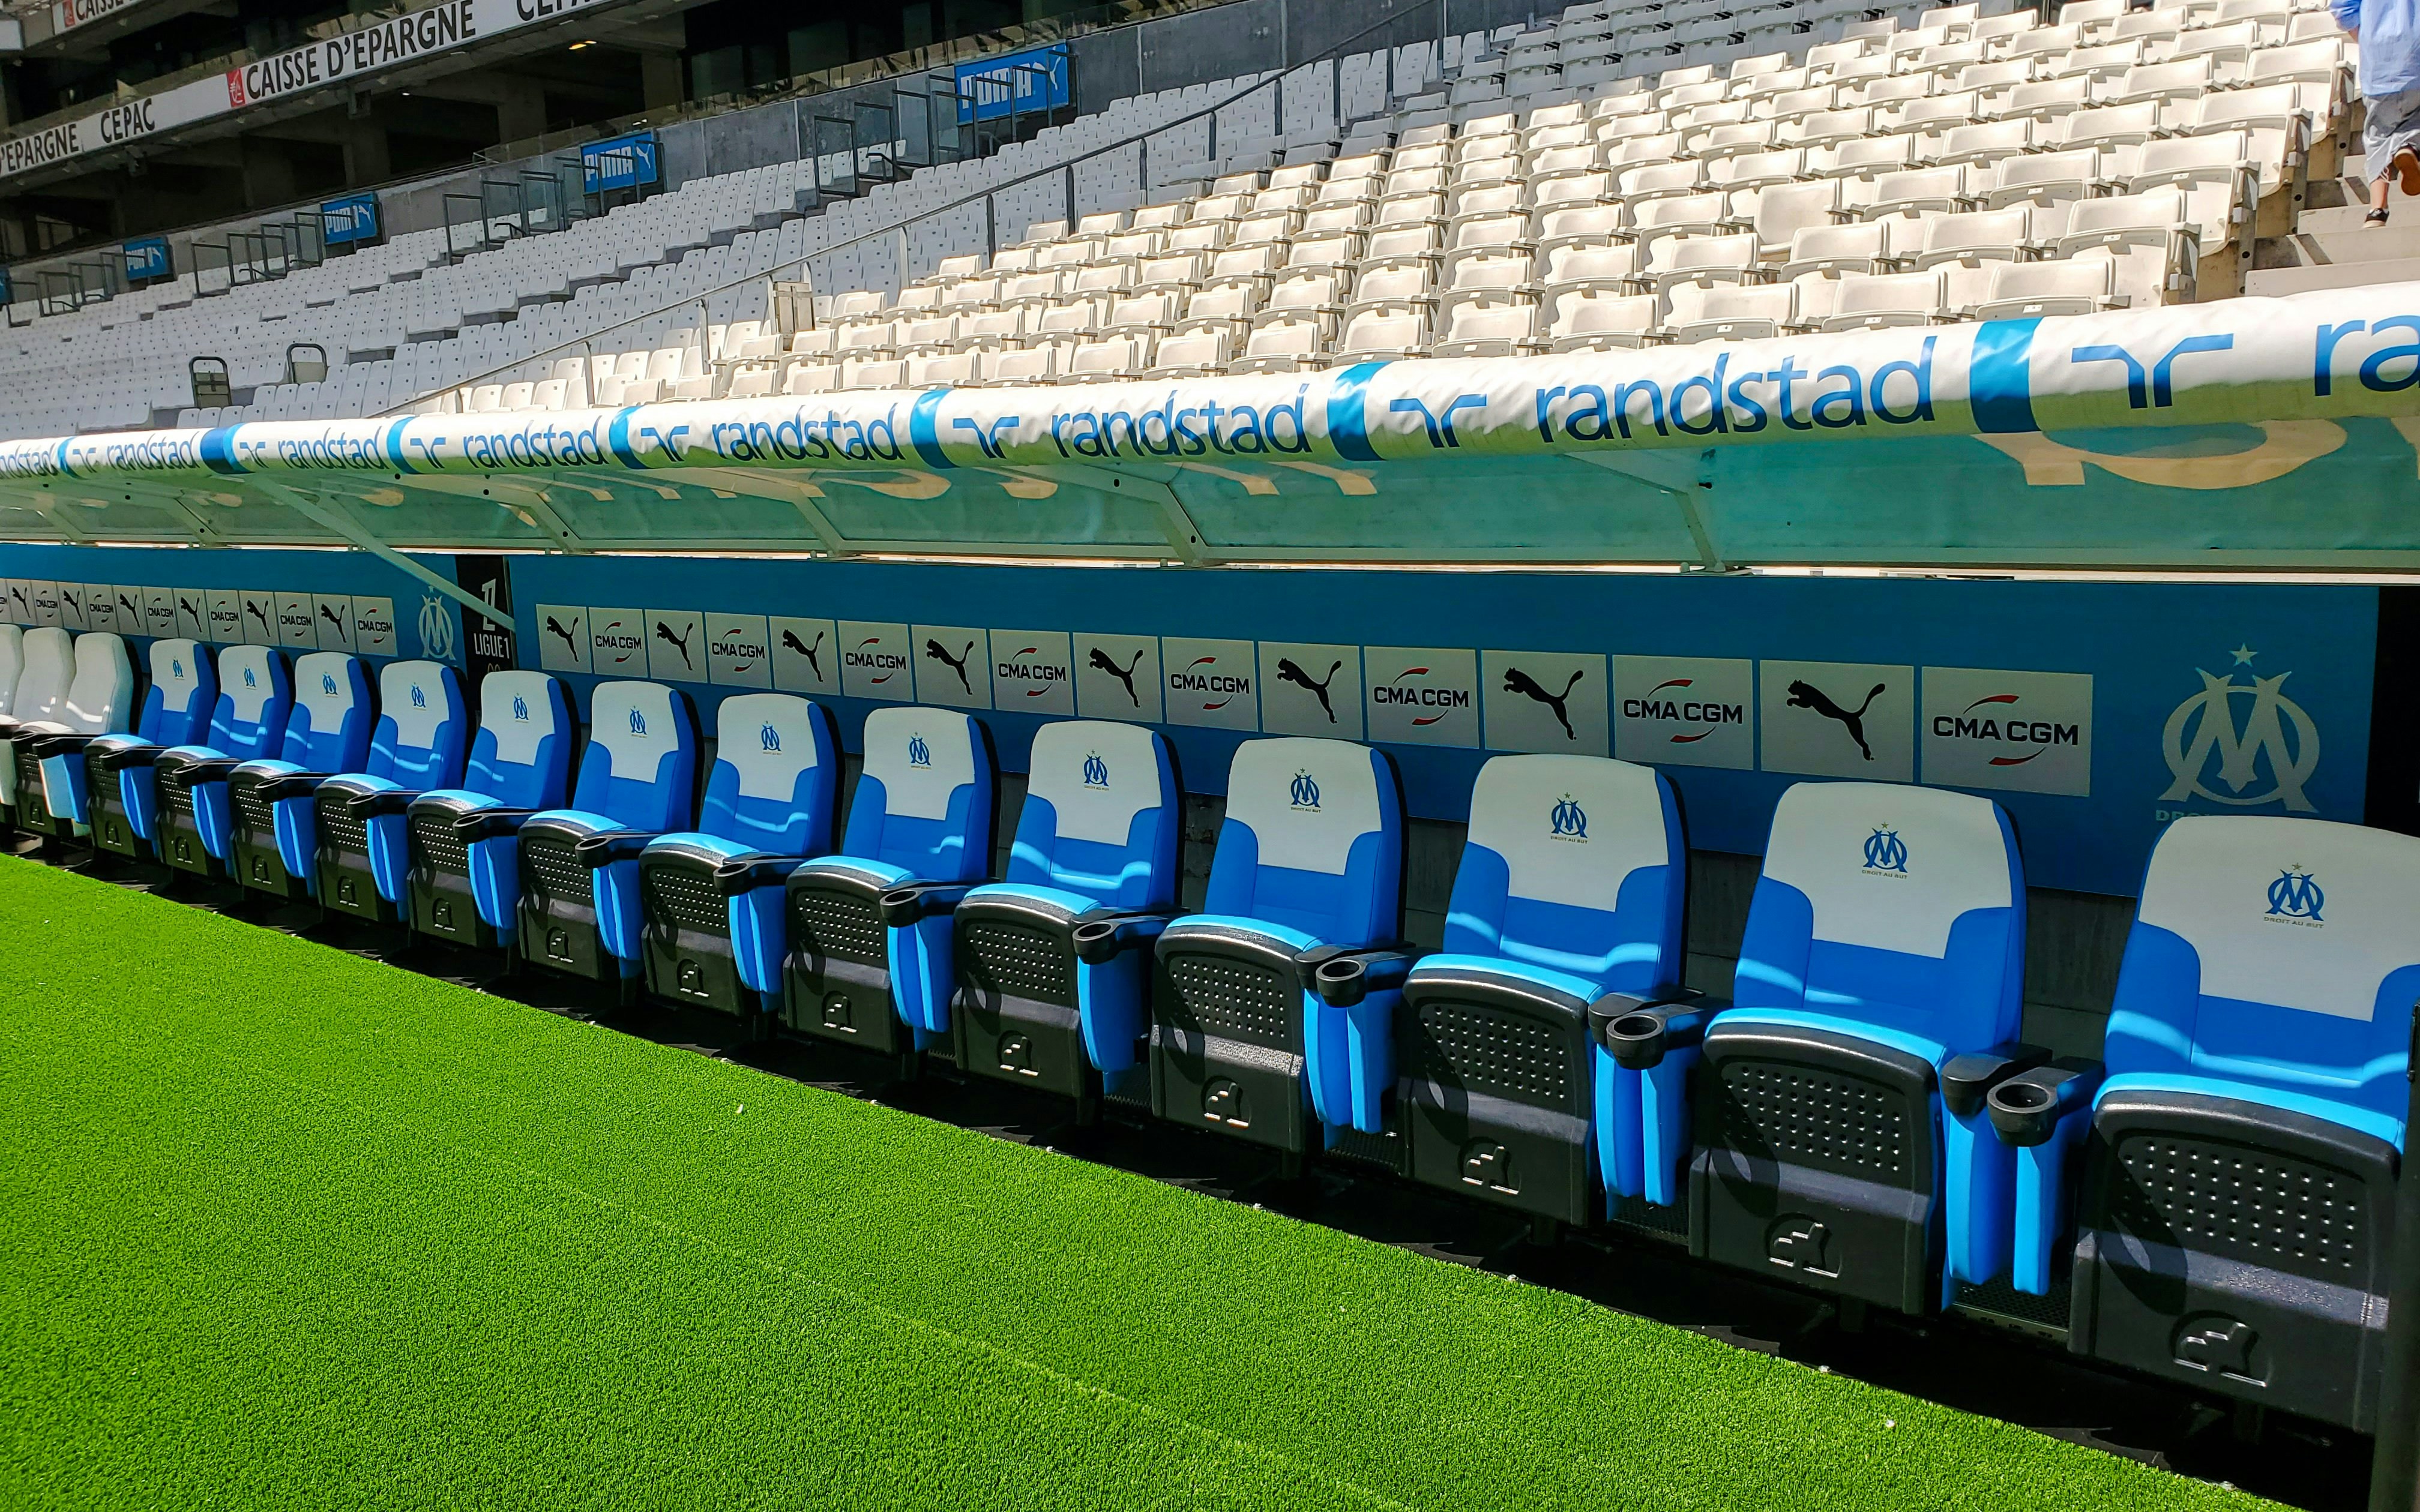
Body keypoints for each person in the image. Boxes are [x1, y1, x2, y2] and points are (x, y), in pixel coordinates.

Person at [2337, 0, 2420, 224]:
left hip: (2379, 60)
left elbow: (2342, 10)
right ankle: (2409, 147)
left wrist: (2366, 40)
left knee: (2378, 135)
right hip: (2416, 51)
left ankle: (2377, 210)